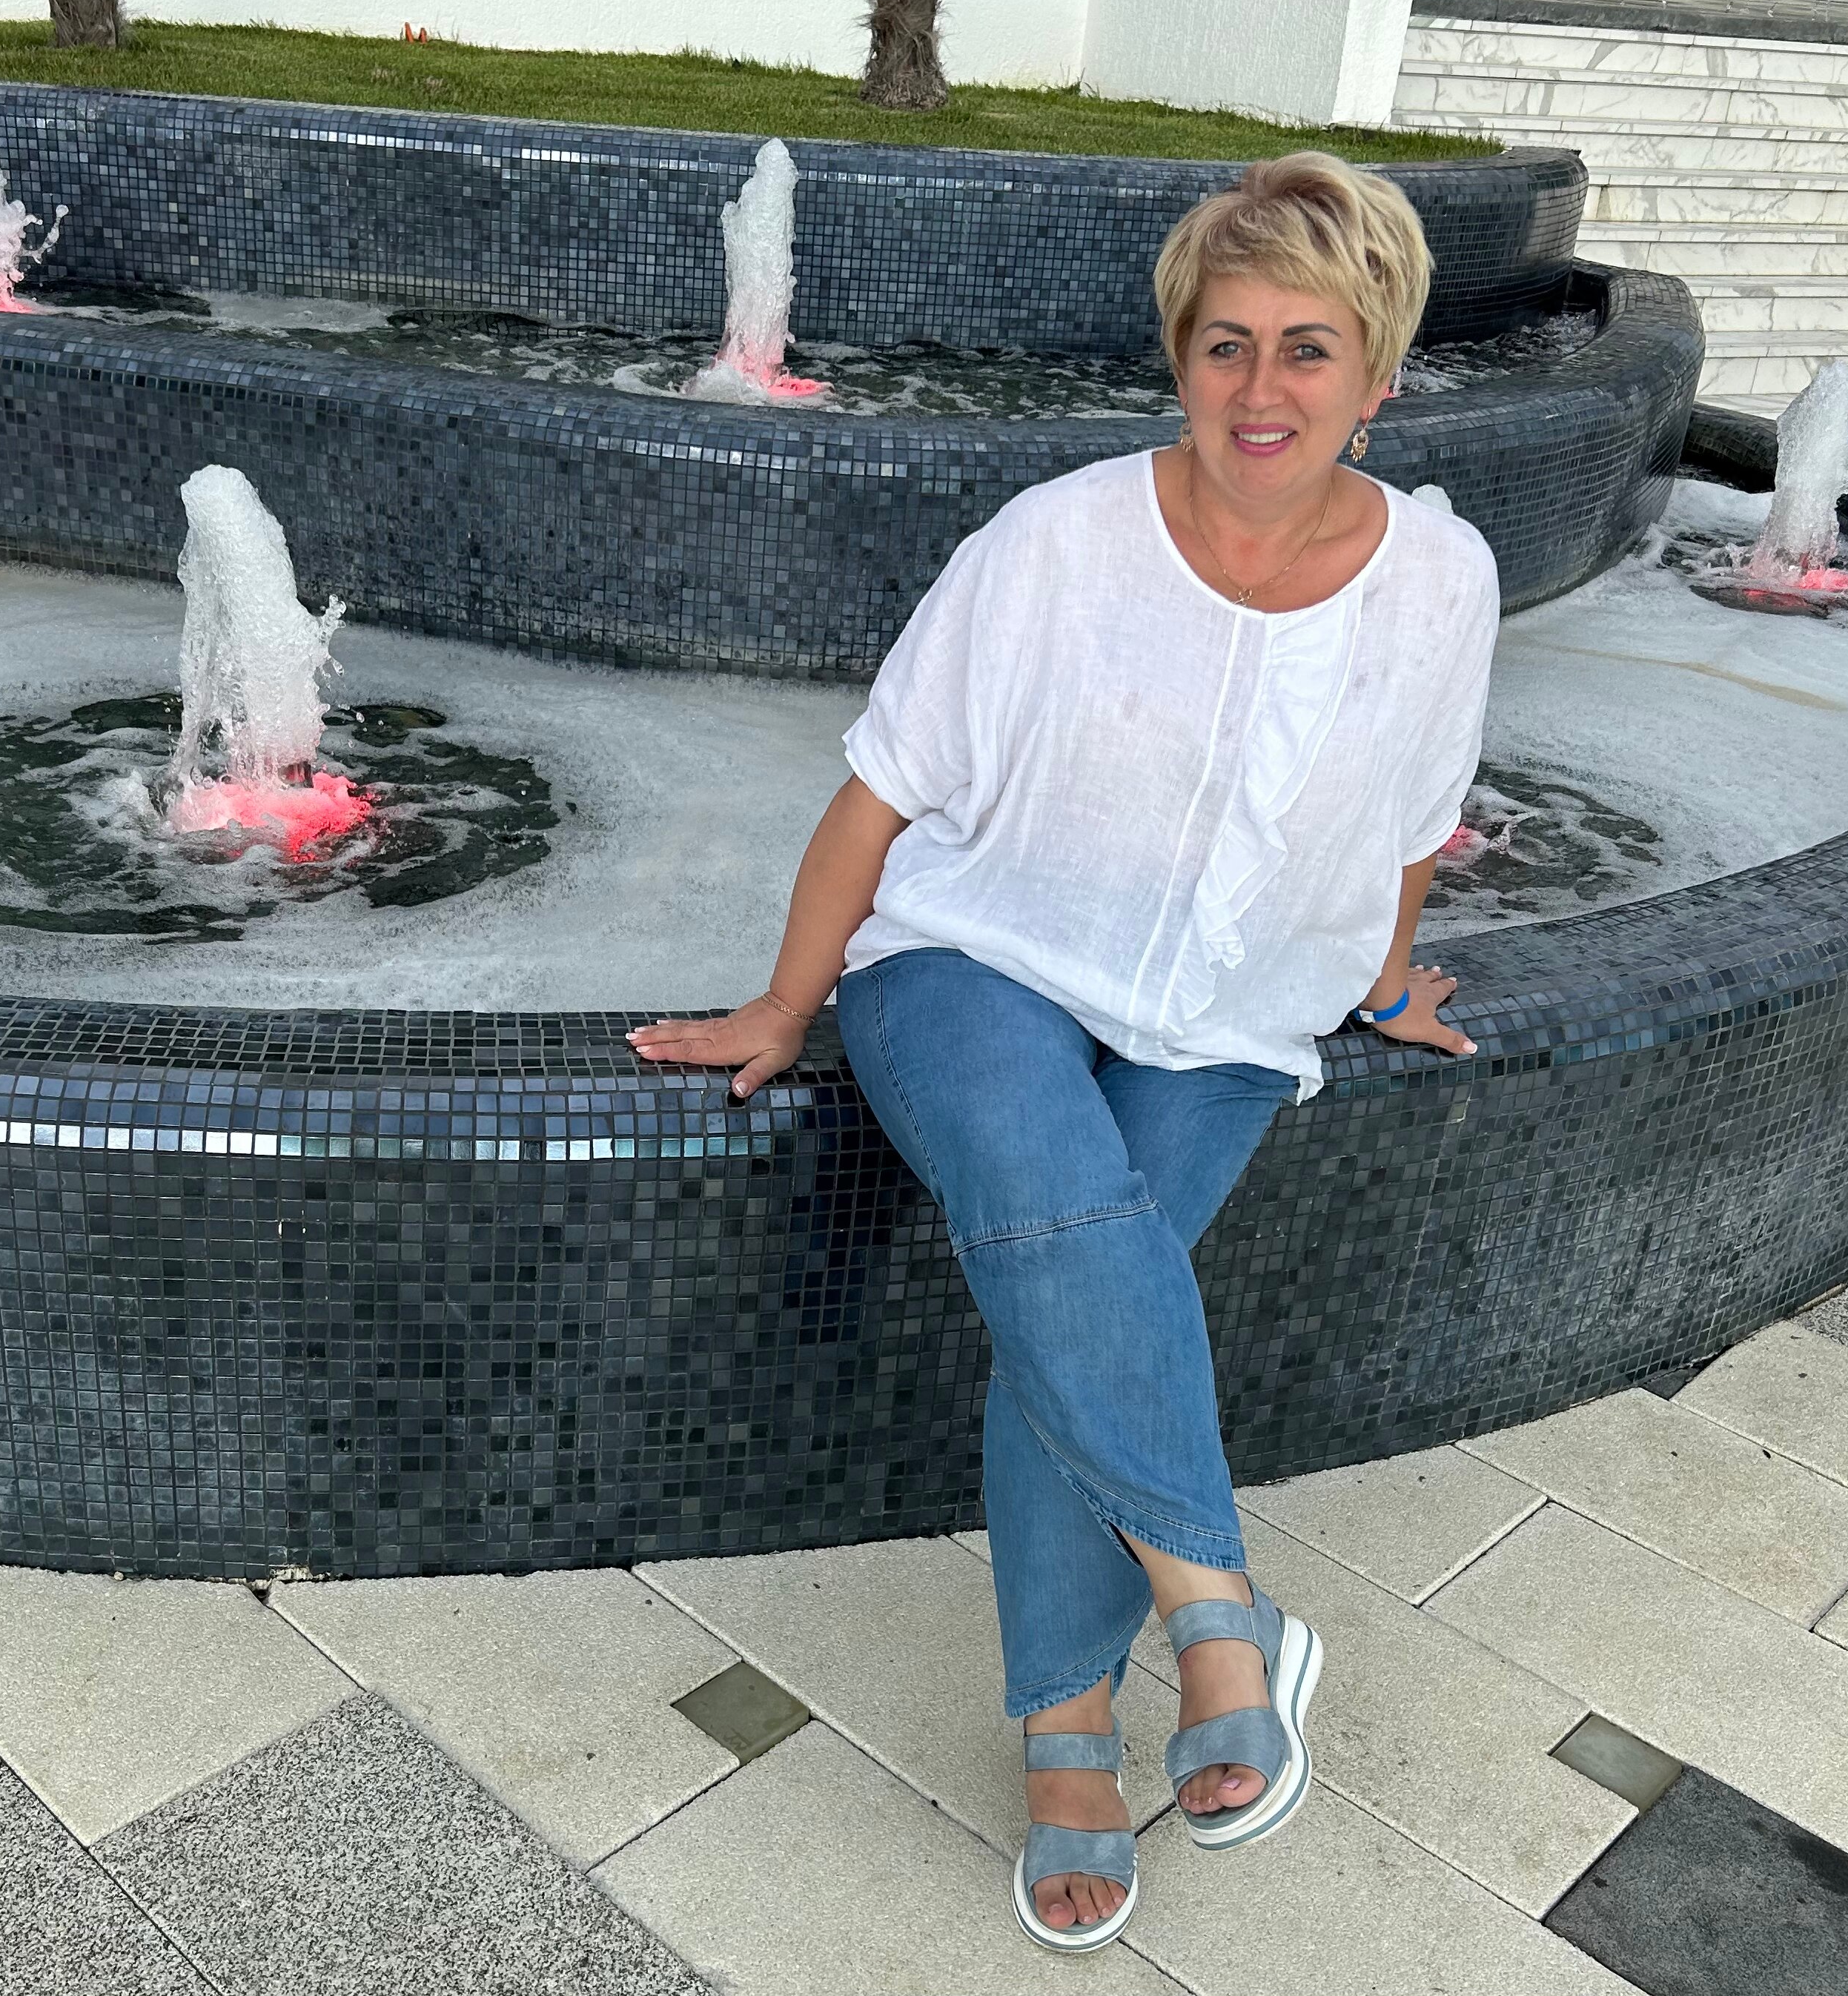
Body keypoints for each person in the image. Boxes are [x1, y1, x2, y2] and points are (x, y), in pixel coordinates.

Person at [631, 153, 1498, 1955]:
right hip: (970, 964)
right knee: (1047, 1191)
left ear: (1376, 374)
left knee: (1078, 1295)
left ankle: (1068, 1723)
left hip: (1224, 1013)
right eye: (1223, 343)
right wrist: (786, 1004)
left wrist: (1380, 973)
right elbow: (879, 793)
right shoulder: (1052, 542)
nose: (1258, 388)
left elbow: (1409, 810)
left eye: (1307, 349)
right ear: (1177, 358)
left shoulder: (1438, 579)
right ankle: (1213, 1614)